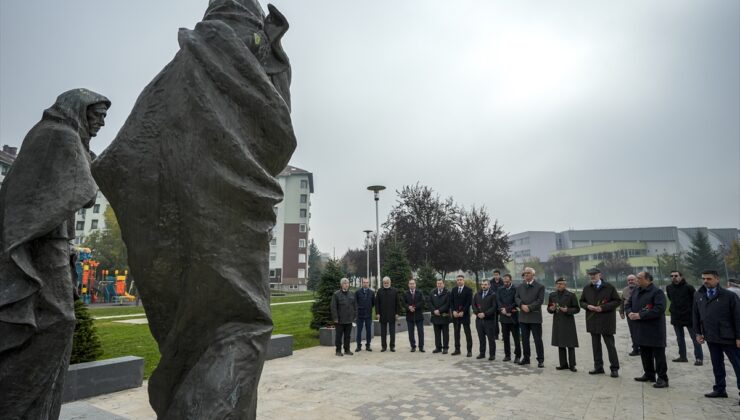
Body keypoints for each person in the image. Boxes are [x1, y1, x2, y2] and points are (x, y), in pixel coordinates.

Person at [0, 89, 110, 420]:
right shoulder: (57, 135)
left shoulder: (59, 136)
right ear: (79, 109)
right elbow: (84, 191)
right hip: (44, 244)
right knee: (58, 321)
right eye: (97, 115)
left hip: (53, 241)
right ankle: (19, 405)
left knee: (57, 324)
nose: (101, 122)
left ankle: (39, 408)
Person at [693, 270, 740, 402]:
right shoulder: (699, 295)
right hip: (711, 337)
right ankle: (720, 389)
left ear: (717, 279)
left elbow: (738, 317)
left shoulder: (729, 296)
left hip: (728, 337)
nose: (706, 281)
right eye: (704, 279)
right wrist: (698, 332)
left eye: (709, 278)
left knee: (738, 364)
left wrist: (738, 337)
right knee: (717, 364)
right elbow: (696, 315)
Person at [627, 271, 669, 388]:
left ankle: (662, 378)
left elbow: (659, 309)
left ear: (648, 280)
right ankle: (649, 374)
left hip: (655, 329)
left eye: (639, 278)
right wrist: (630, 312)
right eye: (636, 278)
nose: (636, 280)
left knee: (659, 355)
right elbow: (628, 304)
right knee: (645, 353)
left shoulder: (657, 292)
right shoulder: (636, 290)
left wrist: (640, 315)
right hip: (640, 328)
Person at [579, 268, 621, 378]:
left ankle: (614, 368)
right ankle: (598, 367)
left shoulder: (609, 287)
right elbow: (581, 301)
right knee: (595, 346)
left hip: (606, 320)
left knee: (610, 345)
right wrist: (588, 306)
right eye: (590, 275)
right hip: (592, 320)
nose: (592, 276)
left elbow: (617, 301)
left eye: (594, 274)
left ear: (600, 275)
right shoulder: (587, 288)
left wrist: (602, 308)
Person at [666, 271, 703, 365]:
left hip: (689, 316)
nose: (673, 277)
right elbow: (671, 299)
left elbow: (695, 301)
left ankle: (699, 358)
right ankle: (683, 356)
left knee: (695, 338)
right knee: (679, 338)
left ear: (681, 276)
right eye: (672, 276)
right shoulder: (669, 288)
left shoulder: (689, 287)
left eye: (676, 276)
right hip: (676, 316)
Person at [548, 277, 580, 372]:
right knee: (560, 344)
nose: (559, 285)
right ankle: (563, 364)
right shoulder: (552, 295)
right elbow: (549, 309)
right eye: (558, 283)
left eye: (561, 283)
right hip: (557, 322)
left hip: (568, 322)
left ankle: (572, 365)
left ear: (565, 285)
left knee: (570, 344)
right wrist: (551, 309)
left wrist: (568, 310)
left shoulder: (571, 295)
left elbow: (577, 309)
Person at [515, 267, 545, 367]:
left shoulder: (540, 286)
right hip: (523, 317)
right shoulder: (520, 286)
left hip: (535, 317)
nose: (526, 275)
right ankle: (526, 358)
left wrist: (530, 307)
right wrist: (521, 305)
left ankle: (540, 360)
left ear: (533, 275)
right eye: (525, 273)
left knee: (537, 339)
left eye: (528, 273)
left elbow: (540, 300)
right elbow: (516, 297)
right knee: (524, 339)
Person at [498, 274, 521, 362]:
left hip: (513, 317)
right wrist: (503, 311)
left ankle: (517, 356)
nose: (505, 283)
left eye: (507, 281)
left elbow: (516, 301)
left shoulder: (516, 289)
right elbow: (498, 301)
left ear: (511, 280)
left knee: (516, 339)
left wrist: (508, 310)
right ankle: (507, 355)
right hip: (504, 318)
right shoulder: (500, 289)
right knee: (506, 338)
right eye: (504, 281)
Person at [473, 280, 498, 360]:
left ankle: (492, 355)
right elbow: (473, 305)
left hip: (489, 320)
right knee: (481, 338)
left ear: (489, 285)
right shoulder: (477, 294)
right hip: (479, 320)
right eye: (482, 284)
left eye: (485, 284)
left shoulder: (493, 295)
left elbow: (494, 307)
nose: (483, 286)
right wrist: (477, 313)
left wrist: (485, 314)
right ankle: (482, 353)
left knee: (491, 338)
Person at [331, 278, 356, 356]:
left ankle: (347, 349)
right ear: (341, 285)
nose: (346, 285)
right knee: (339, 336)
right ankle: (338, 351)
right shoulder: (336, 294)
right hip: (340, 320)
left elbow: (355, 306)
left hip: (349, 320)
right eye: (344, 283)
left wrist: (354, 317)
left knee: (347, 336)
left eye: (347, 283)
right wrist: (335, 318)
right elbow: (333, 307)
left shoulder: (352, 294)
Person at [376, 276, 401, 352]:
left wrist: (397, 313)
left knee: (392, 332)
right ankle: (384, 346)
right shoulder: (379, 291)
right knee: (383, 332)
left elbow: (398, 303)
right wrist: (377, 313)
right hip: (383, 314)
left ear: (390, 282)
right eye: (384, 283)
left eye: (387, 282)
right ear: (383, 283)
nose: (386, 284)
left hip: (392, 314)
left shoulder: (395, 291)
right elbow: (377, 303)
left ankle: (392, 346)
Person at [450, 274, 474, 357]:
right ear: (456, 281)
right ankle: (457, 349)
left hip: (465, 315)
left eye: (461, 279)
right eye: (458, 280)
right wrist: (453, 311)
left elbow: (469, 302)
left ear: (464, 281)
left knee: (468, 333)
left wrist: (463, 311)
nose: (459, 281)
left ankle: (469, 351)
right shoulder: (453, 290)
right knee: (456, 333)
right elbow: (451, 302)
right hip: (456, 315)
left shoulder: (468, 290)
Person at [619, 274, 640, 356]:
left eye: (632, 279)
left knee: (641, 331)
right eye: (629, 280)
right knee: (633, 332)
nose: (631, 281)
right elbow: (622, 302)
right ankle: (635, 349)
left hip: (639, 313)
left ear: (636, 280)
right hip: (629, 314)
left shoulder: (640, 289)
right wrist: (621, 312)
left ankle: (643, 348)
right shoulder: (625, 290)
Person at [403, 279, 426, 352]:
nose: (412, 285)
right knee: (410, 332)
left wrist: (414, 307)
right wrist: (408, 307)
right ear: (408, 285)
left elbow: (423, 301)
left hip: (418, 316)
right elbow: (403, 303)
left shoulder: (419, 292)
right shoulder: (405, 293)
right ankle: (413, 346)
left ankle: (421, 347)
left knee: (420, 332)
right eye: (410, 284)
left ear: (415, 284)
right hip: (409, 316)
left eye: (413, 284)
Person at [430, 279, 451, 354]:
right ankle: (438, 347)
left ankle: (445, 348)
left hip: (444, 316)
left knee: (445, 333)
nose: (439, 285)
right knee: (437, 333)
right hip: (435, 316)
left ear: (443, 284)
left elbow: (448, 304)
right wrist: (434, 310)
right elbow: (430, 303)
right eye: (438, 283)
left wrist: (439, 310)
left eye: (440, 283)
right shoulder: (433, 292)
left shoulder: (448, 293)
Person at [355, 278, 375, 352]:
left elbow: (373, 303)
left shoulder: (372, 293)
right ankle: (358, 346)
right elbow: (355, 303)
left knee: (368, 331)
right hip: (360, 315)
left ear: (368, 283)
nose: (365, 284)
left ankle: (368, 346)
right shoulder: (357, 292)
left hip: (368, 315)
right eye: (364, 282)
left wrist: (368, 308)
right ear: (362, 283)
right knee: (359, 331)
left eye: (367, 282)